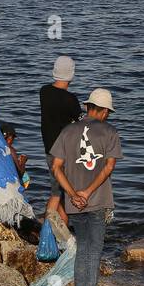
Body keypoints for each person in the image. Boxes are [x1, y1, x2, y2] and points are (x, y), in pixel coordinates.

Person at [50, 88, 121, 286]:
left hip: (73, 204)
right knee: (93, 253)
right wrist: (88, 193)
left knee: (82, 251)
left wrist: (72, 194)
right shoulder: (109, 132)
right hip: (98, 200)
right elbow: (109, 167)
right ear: (102, 111)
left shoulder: (68, 131)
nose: (107, 116)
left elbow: (56, 167)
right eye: (107, 112)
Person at [40, 56, 83, 223]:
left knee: (60, 192)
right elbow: (80, 124)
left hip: (48, 148)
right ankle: (49, 230)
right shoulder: (71, 99)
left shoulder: (44, 91)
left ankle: (62, 230)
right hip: (64, 153)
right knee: (58, 193)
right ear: (71, 74)